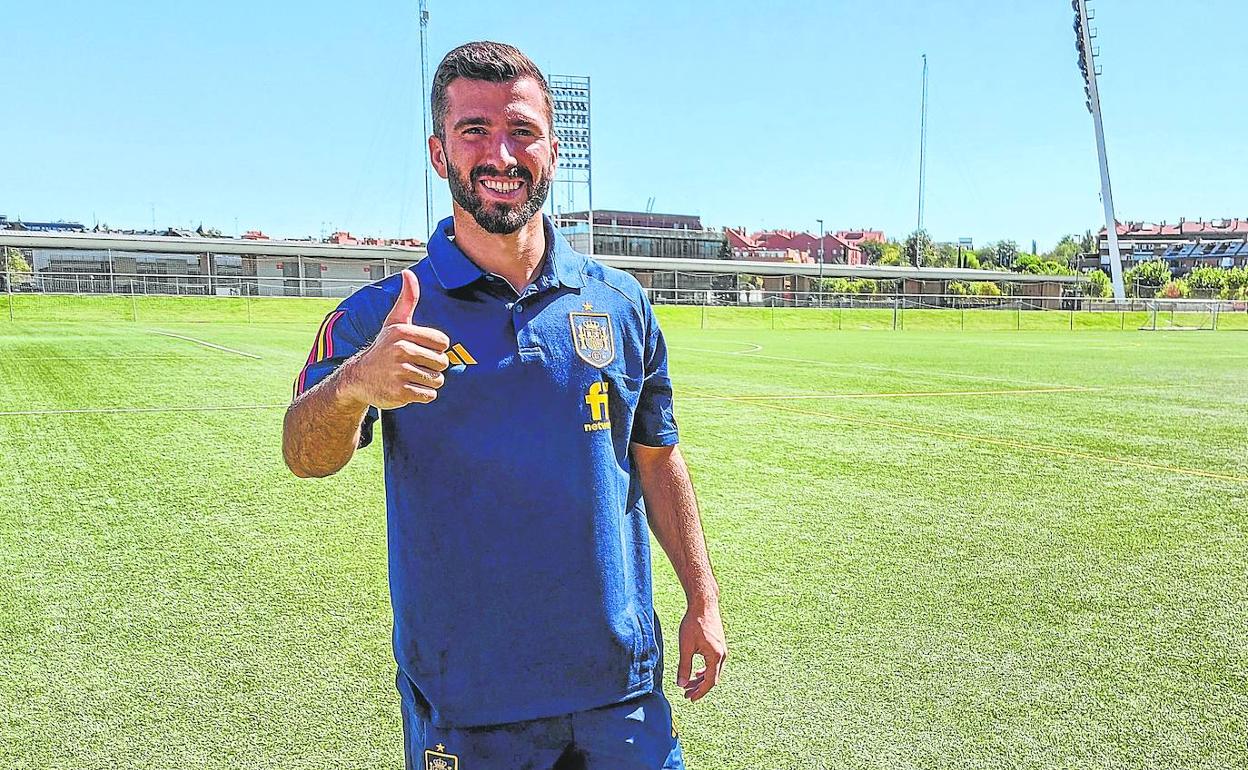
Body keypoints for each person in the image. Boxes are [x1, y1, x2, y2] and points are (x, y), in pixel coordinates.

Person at [282, 41, 725, 770]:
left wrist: (702, 598)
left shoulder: (620, 303)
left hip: (620, 689)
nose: (501, 154)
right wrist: (357, 384)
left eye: (522, 131)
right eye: (475, 131)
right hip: (468, 701)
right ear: (439, 153)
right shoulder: (379, 314)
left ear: (552, 148)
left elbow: (658, 460)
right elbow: (302, 453)